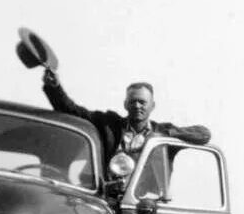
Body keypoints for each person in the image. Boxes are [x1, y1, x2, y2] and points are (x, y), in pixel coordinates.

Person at [41, 69, 211, 173]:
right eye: (132, 102)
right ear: (125, 105)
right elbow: (72, 110)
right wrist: (54, 88)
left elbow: (203, 134)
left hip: (145, 208)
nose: (137, 106)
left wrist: (163, 136)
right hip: (109, 202)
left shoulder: (164, 133)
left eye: (142, 102)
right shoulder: (108, 123)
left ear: (153, 106)